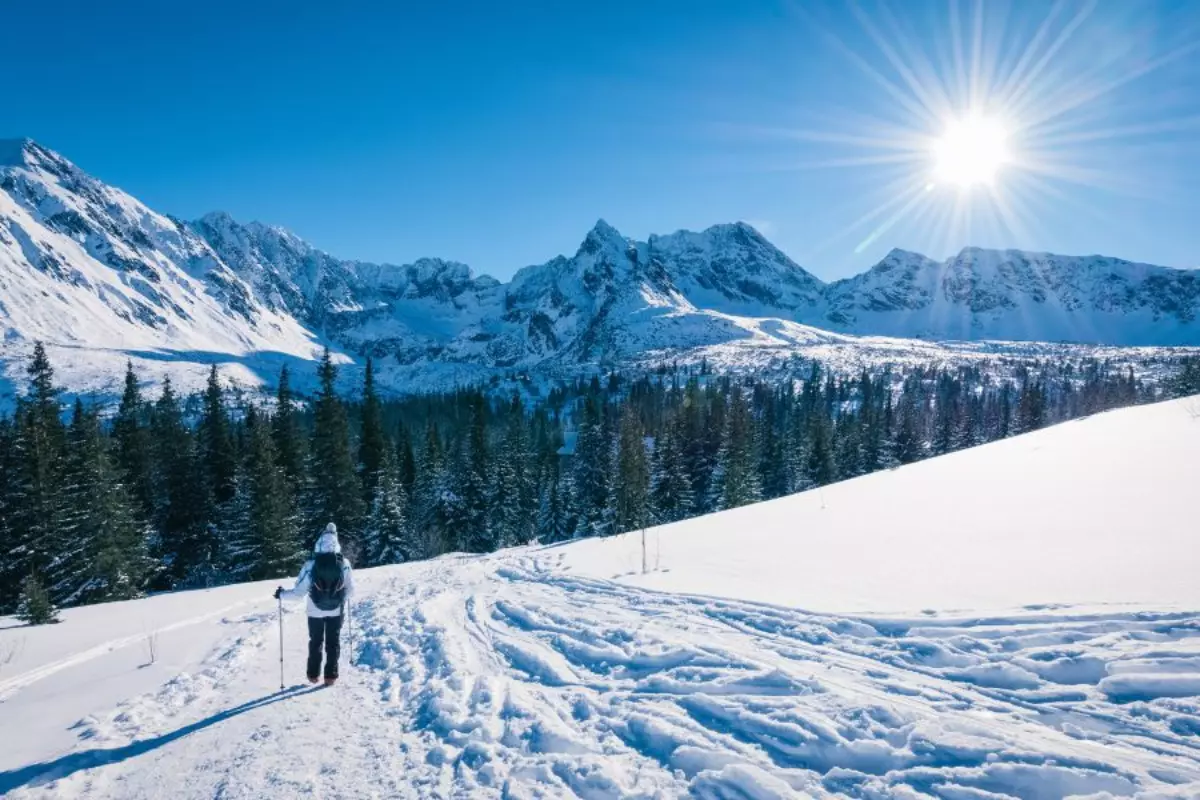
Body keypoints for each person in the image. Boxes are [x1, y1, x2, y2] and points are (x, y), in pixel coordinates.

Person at [274, 523, 355, 686]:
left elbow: (298, 593)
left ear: (319, 541)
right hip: (336, 611)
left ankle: (313, 675)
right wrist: (339, 599)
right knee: (333, 643)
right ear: (336, 541)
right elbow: (351, 591)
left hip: (314, 611)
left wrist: (281, 594)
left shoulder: (311, 564)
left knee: (316, 641)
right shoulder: (344, 563)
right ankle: (330, 676)